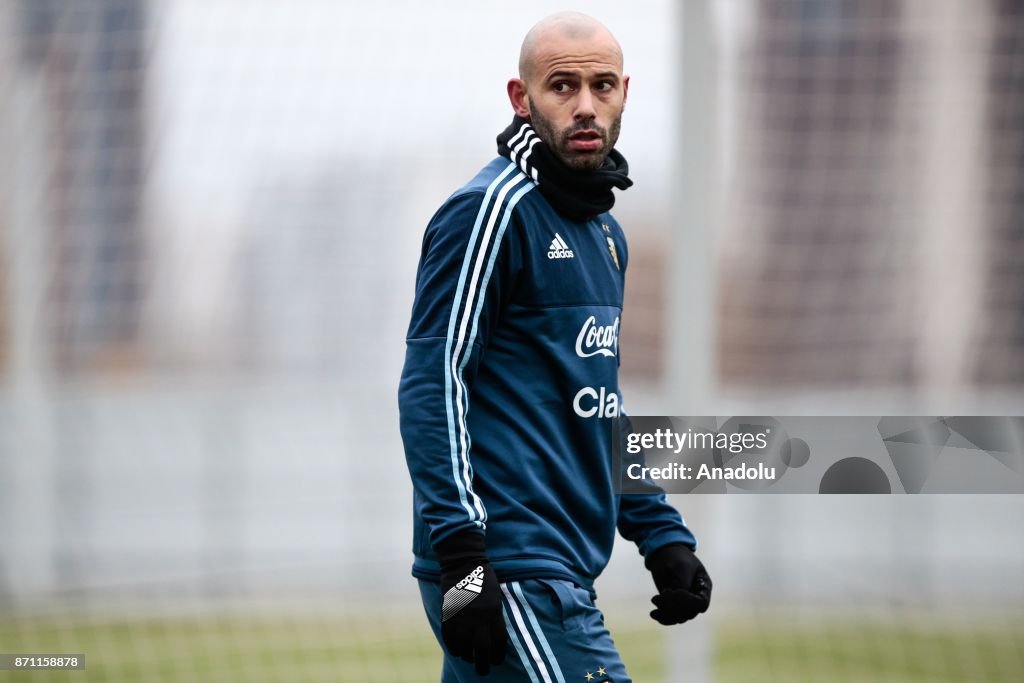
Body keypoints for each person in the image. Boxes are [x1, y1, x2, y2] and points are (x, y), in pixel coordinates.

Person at [398, 12, 711, 682]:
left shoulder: (606, 238)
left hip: (557, 566)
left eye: (602, 85)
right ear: (522, 98)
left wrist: (660, 534)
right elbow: (434, 381)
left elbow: (600, 407)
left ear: (625, 91)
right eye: (562, 86)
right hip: (505, 569)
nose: (586, 105)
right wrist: (462, 558)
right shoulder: (490, 211)